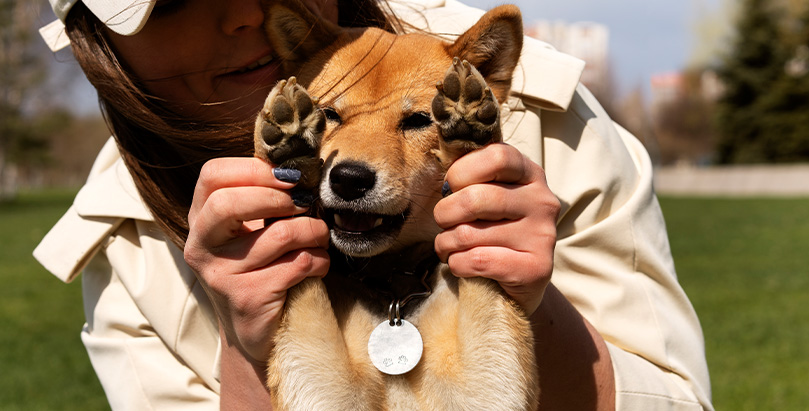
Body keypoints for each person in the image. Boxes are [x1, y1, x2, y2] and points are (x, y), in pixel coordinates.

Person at [35, 0, 713, 409]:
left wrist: (520, 299)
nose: (251, 11)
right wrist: (248, 347)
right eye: (177, 1)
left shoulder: (537, 111)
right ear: (96, 41)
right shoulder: (121, 233)